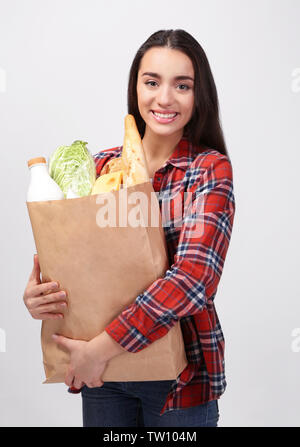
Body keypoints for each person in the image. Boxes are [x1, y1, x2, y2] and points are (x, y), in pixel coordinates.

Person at [23, 29, 235, 427]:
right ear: (135, 87)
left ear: (199, 94)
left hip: (179, 378)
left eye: (182, 85)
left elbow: (194, 280)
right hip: (107, 377)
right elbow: (73, 260)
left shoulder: (209, 170)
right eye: (152, 82)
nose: (165, 98)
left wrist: (101, 348)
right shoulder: (102, 165)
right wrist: (42, 295)